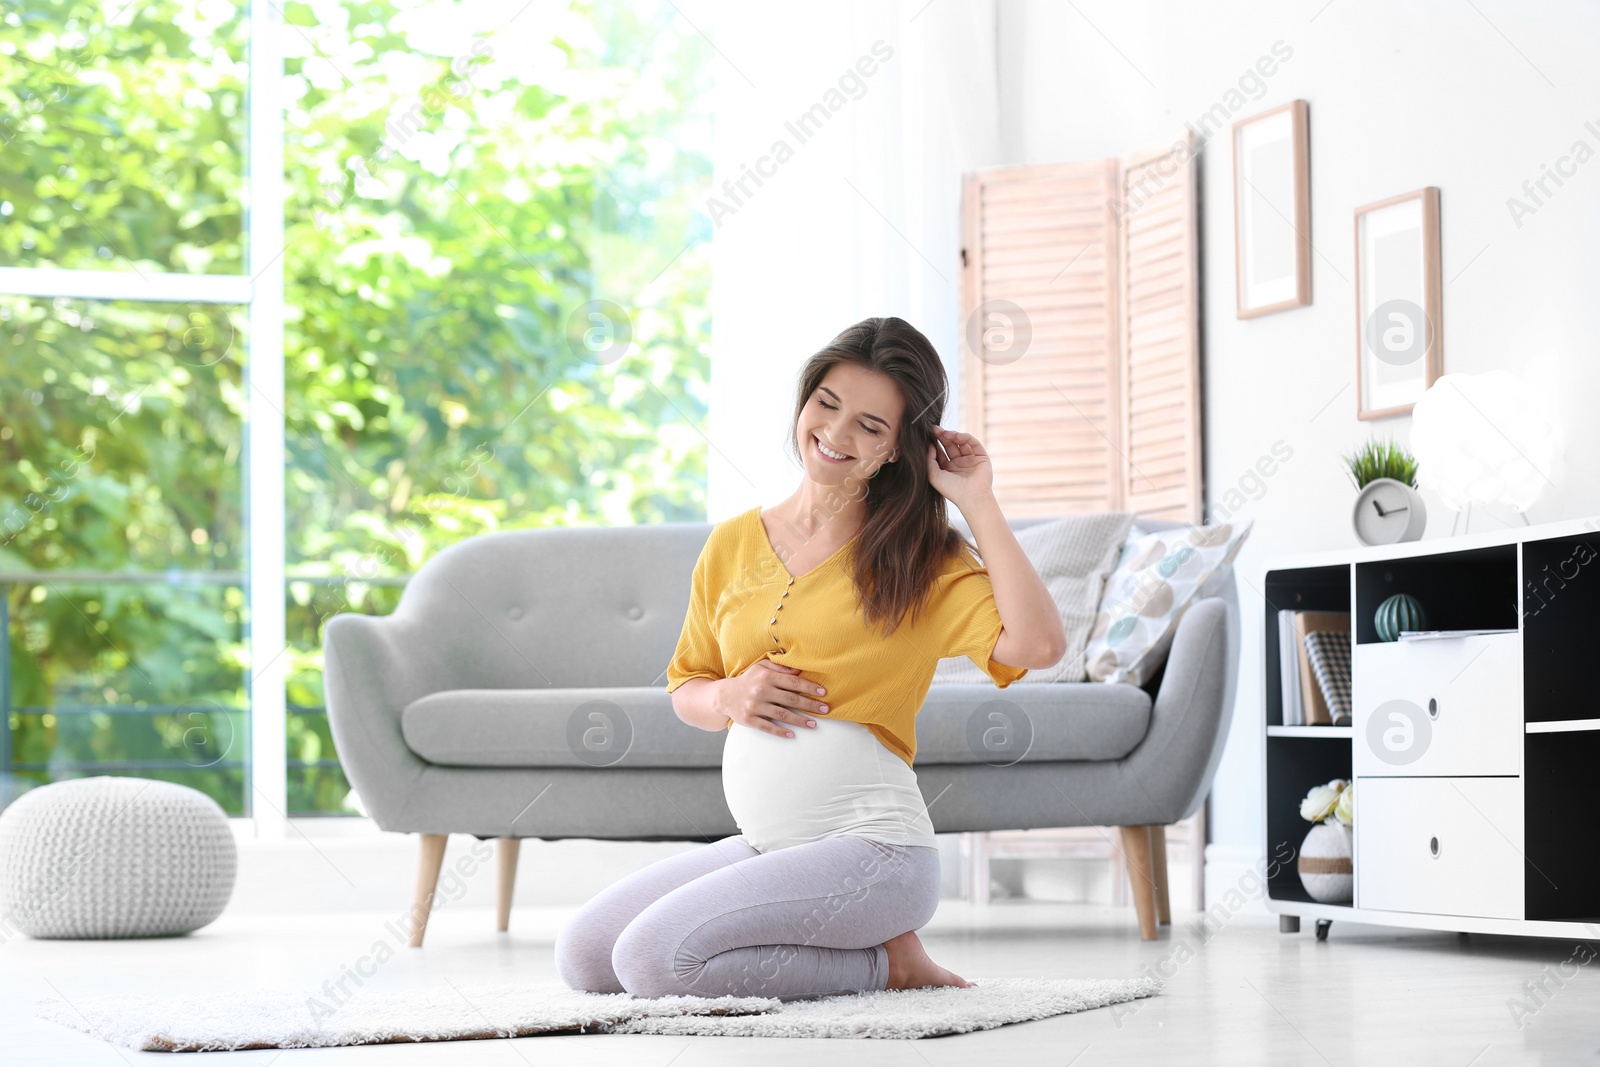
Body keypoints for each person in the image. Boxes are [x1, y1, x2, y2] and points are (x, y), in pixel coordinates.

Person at [554, 316, 1066, 1001]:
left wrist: (978, 500)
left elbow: (1038, 645)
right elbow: (688, 687)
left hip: (877, 852)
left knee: (656, 962)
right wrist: (730, 696)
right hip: (772, 846)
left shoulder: (920, 557)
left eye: (870, 426)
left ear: (895, 450)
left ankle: (891, 965)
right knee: (587, 955)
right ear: (804, 402)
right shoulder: (733, 542)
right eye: (827, 404)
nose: (836, 433)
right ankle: (852, 942)